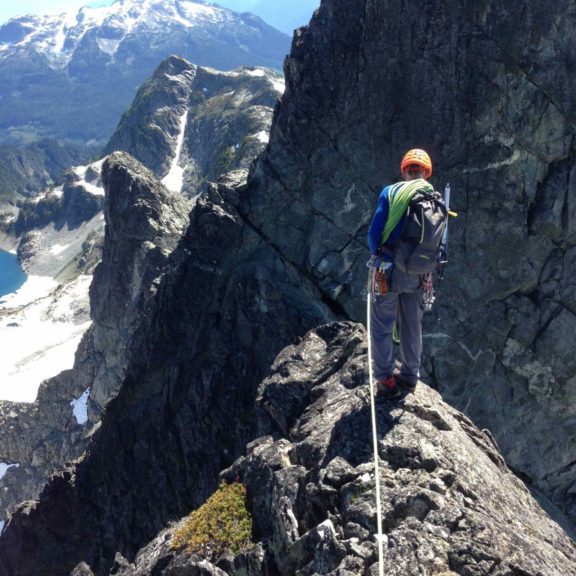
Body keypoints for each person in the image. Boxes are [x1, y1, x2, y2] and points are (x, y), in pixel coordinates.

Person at [367, 149, 434, 398]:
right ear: (426, 173)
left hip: (388, 270)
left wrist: (377, 255)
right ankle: (409, 377)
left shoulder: (392, 192)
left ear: (404, 170)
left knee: (382, 324)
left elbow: (375, 233)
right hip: (420, 273)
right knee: (411, 325)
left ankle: (385, 378)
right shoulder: (435, 198)